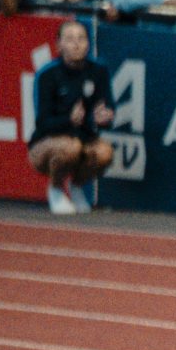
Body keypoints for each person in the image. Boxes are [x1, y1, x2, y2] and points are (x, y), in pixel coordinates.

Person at [25, 18, 111, 216]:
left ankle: (77, 187)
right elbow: (42, 122)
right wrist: (68, 120)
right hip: (47, 143)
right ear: (59, 45)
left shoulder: (98, 71)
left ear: (88, 43)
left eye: (81, 38)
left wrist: (104, 118)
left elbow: (107, 107)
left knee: (105, 152)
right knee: (70, 147)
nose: (76, 43)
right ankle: (55, 189)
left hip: (84, 140)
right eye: (70, 38)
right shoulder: (47, 75)